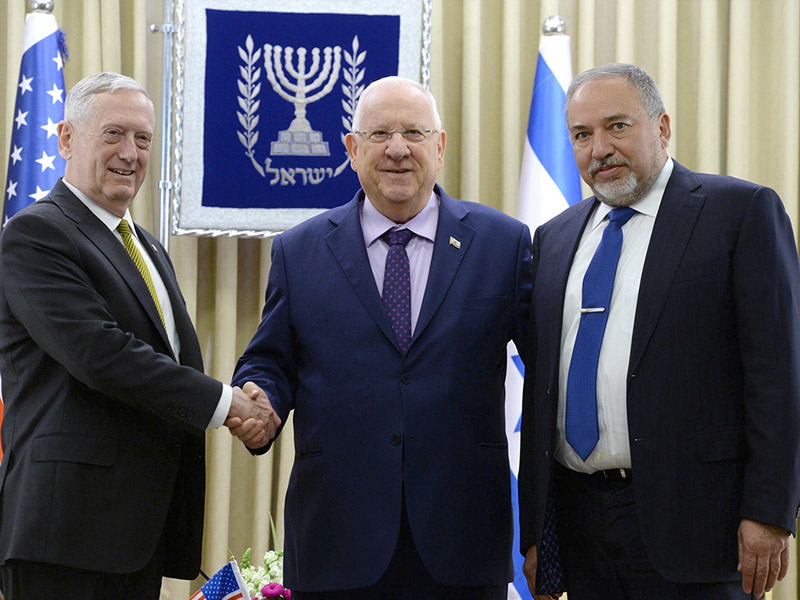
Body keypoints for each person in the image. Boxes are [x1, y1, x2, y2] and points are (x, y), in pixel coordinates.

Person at [229, 76, 532, 599]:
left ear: (439, 146)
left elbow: (547, 371)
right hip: (336, 541)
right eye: (379, 134)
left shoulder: (501, 244)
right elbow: (270, 361)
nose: (397, 149)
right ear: (351, 149)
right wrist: (261, 396)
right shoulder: (299, 251)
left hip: (462, 542)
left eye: (413, 132)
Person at [518, 62, 800, 600]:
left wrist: (769, 511)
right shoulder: (553, 238)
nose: (599, 148)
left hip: (698, 526)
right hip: (580, 527)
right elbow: (540, 391)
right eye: (582, 135)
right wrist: (538, 533)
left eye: (617, 126)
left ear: (663, 128)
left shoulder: (738, 213)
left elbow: (779, 374)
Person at [0, 72, 280, 599]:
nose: (130, 153)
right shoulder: (35, 234)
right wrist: (229, 405)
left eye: (143, 139)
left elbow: (168, 360)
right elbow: (101, 354)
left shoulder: (147, 246)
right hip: (65, 538)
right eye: (113, 134)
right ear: (65, 139)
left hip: (133, 534)